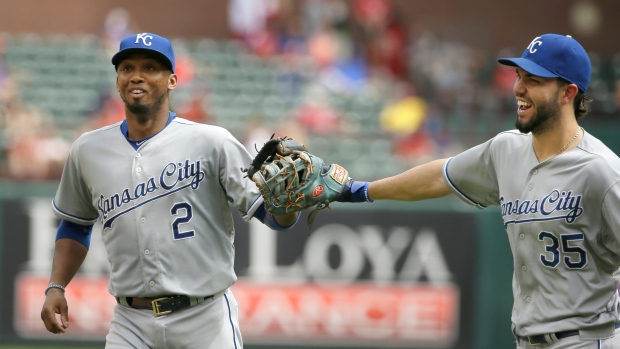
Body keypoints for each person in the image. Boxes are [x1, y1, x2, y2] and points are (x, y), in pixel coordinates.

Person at [338, 34, 620, 348]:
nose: (518, 89)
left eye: (534, 81)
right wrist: (360, 190)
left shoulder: (602, 171)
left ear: (568, 93)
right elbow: (439, 176)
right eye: (519, 76)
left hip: (585, 341)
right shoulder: (507, 149)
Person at [40, 32, 299, 349]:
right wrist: (56, 286)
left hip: (204, 320)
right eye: (127, 68)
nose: (137, 76)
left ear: (173, 80)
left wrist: (290, 202)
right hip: (129, 321)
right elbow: (75, 224)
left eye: (150, 68)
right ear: (118, 79)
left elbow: (274, 217)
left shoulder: (212, 141)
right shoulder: (88, 150)